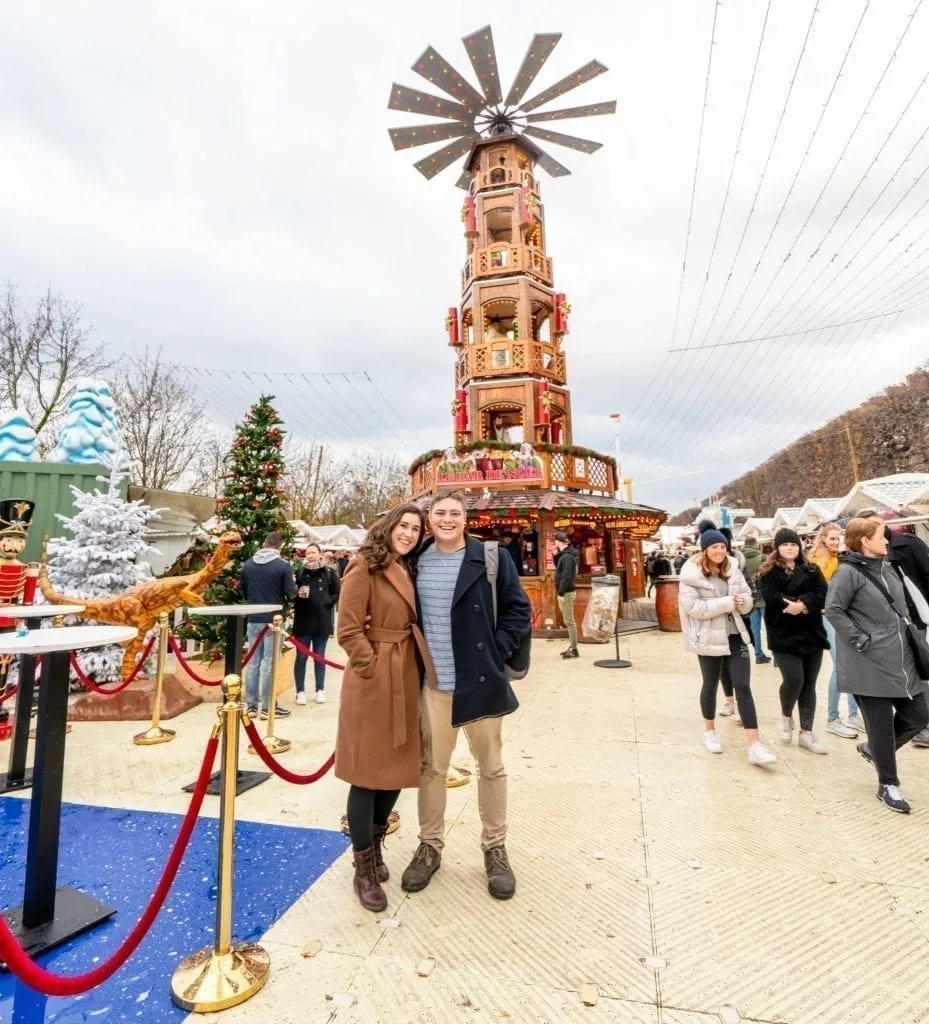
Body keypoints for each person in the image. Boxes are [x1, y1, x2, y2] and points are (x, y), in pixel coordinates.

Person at [401, 491, 531, 901]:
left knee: (491, 767)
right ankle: (430, 845)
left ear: (465, 518)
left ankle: (495, 847)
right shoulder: (415, 559)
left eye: (455, 513)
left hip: (479, 681)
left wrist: (497, 648)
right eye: (440, 513)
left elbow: (518, 610)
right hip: (434, 685)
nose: (447, 519)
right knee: (432, 768)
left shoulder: (492, 558)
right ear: (429, 517)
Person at [335, 503, 437, 911]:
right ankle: (363, 866)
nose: (409, 533)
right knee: (367, 774)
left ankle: (375, 848)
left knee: (395, 768)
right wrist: (371, 665)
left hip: (406, 673)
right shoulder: (364, 565)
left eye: (416, 528)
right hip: (374, 680)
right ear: (389, 526)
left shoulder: (409, 568)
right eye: (404, 525)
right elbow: (346, 628)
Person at [825, 516, 929, 813]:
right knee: (881, 726)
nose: (887, 540)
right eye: (882, 536)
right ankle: (888, 784)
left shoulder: (888, 568)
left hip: (902, 657)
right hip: (868, 662)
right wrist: (860, 639)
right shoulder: (847, 573)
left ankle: (874, 751)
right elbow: (834, 610)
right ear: (865, 540)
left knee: (920, 716)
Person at [678, 528, 776, 765]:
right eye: (714, 547)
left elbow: (747, 597)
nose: (719, 551)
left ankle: (754, 744)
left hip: (735, 634)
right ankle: (709, 731)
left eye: (722, 547)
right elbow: (693, 608)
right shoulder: (691, 574)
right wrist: (727, 602)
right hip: (708, 637)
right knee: (710, 683)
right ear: (705, 550)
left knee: (743, 685)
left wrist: (743, 604)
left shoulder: (733, 569)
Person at [760, 528, 829, 753]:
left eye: (793, 544)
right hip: (783, 634)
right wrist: (793, 604)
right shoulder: (769, 571)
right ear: (777, 548)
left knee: (809, 684)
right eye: (785, 544)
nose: (790, 547)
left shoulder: (811, 569)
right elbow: (770, 596)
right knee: (794, 679)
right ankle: (786, 714)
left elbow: (822, 592)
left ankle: (806, 732)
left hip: (811, 634)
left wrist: (803, 604)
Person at [809, 524, 862, 739]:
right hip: (827, 616)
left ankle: (853, 714)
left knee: (852, 663)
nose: (835, 542)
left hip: (845, 614)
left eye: (838, 538)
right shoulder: (816, 561)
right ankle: (832, 717)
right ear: (823, 539)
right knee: (840, 664)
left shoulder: (841, 558)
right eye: (832, 538)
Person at [240, 531, 297, 719]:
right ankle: (267, 706)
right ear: (280, 546)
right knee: (269, 662)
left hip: (254, 617)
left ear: (264, 543)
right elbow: (291, 594)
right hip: (274, 619)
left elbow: (243, 591)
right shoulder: (283, 566)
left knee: (253, 661)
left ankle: (251, 705)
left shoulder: (248, 565)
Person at [293, 542, 340, 705]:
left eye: (313, 552)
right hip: (303, 621)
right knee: (301, 657)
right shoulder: (300, 572)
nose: (310, 555)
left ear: (320, 554)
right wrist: (298, 595)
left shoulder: (329, 572)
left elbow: (336, 590)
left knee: (320, 657)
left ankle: (320, 689)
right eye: (308, 553)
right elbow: (292, 592)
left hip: (322, 621)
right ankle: (300, 691)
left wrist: (327, 602)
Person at [741, 536, 771, 665]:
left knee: (754, 629)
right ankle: (776, 655)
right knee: (770, 627)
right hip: (765, 597)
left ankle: (758, 654)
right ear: (756, 544)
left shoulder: (739, 559)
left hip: (750, 599)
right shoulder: (763, 557)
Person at [553, 531, 579, 659]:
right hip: (566, 591)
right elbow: (559, 569)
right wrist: (555, 555)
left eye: (555, 541)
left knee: (569, 621)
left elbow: (566, 576)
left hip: (567, 592)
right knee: (568, 620)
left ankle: (574, 649)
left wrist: (561, 592)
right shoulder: (565, 555)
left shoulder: (568, 556)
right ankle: (572, 647)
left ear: (558, 541)